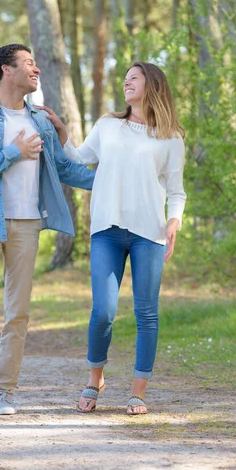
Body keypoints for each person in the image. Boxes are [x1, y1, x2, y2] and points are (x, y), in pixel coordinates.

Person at [0, 43, 95, 416]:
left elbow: (64, 169)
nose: (36, 69)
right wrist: (12, 153)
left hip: (28, 222)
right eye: (28, 63)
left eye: (36, 63)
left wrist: (110, 179)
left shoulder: (39, 120)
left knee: (18, 311)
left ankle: (4, 391)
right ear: (7, 70)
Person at [45, 62, 186, 415]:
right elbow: (79, 157)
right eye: (125, 77)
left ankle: (138, 391)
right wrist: (62, 133)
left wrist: (174, 221)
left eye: (134, 77)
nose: (126, 81)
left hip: (149, 235)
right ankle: (95, 380)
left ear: (152, 85)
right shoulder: (108, 125)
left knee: (146, 313)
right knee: (103, 312)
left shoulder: (171, 137)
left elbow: (177, 191)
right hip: (106, 230)